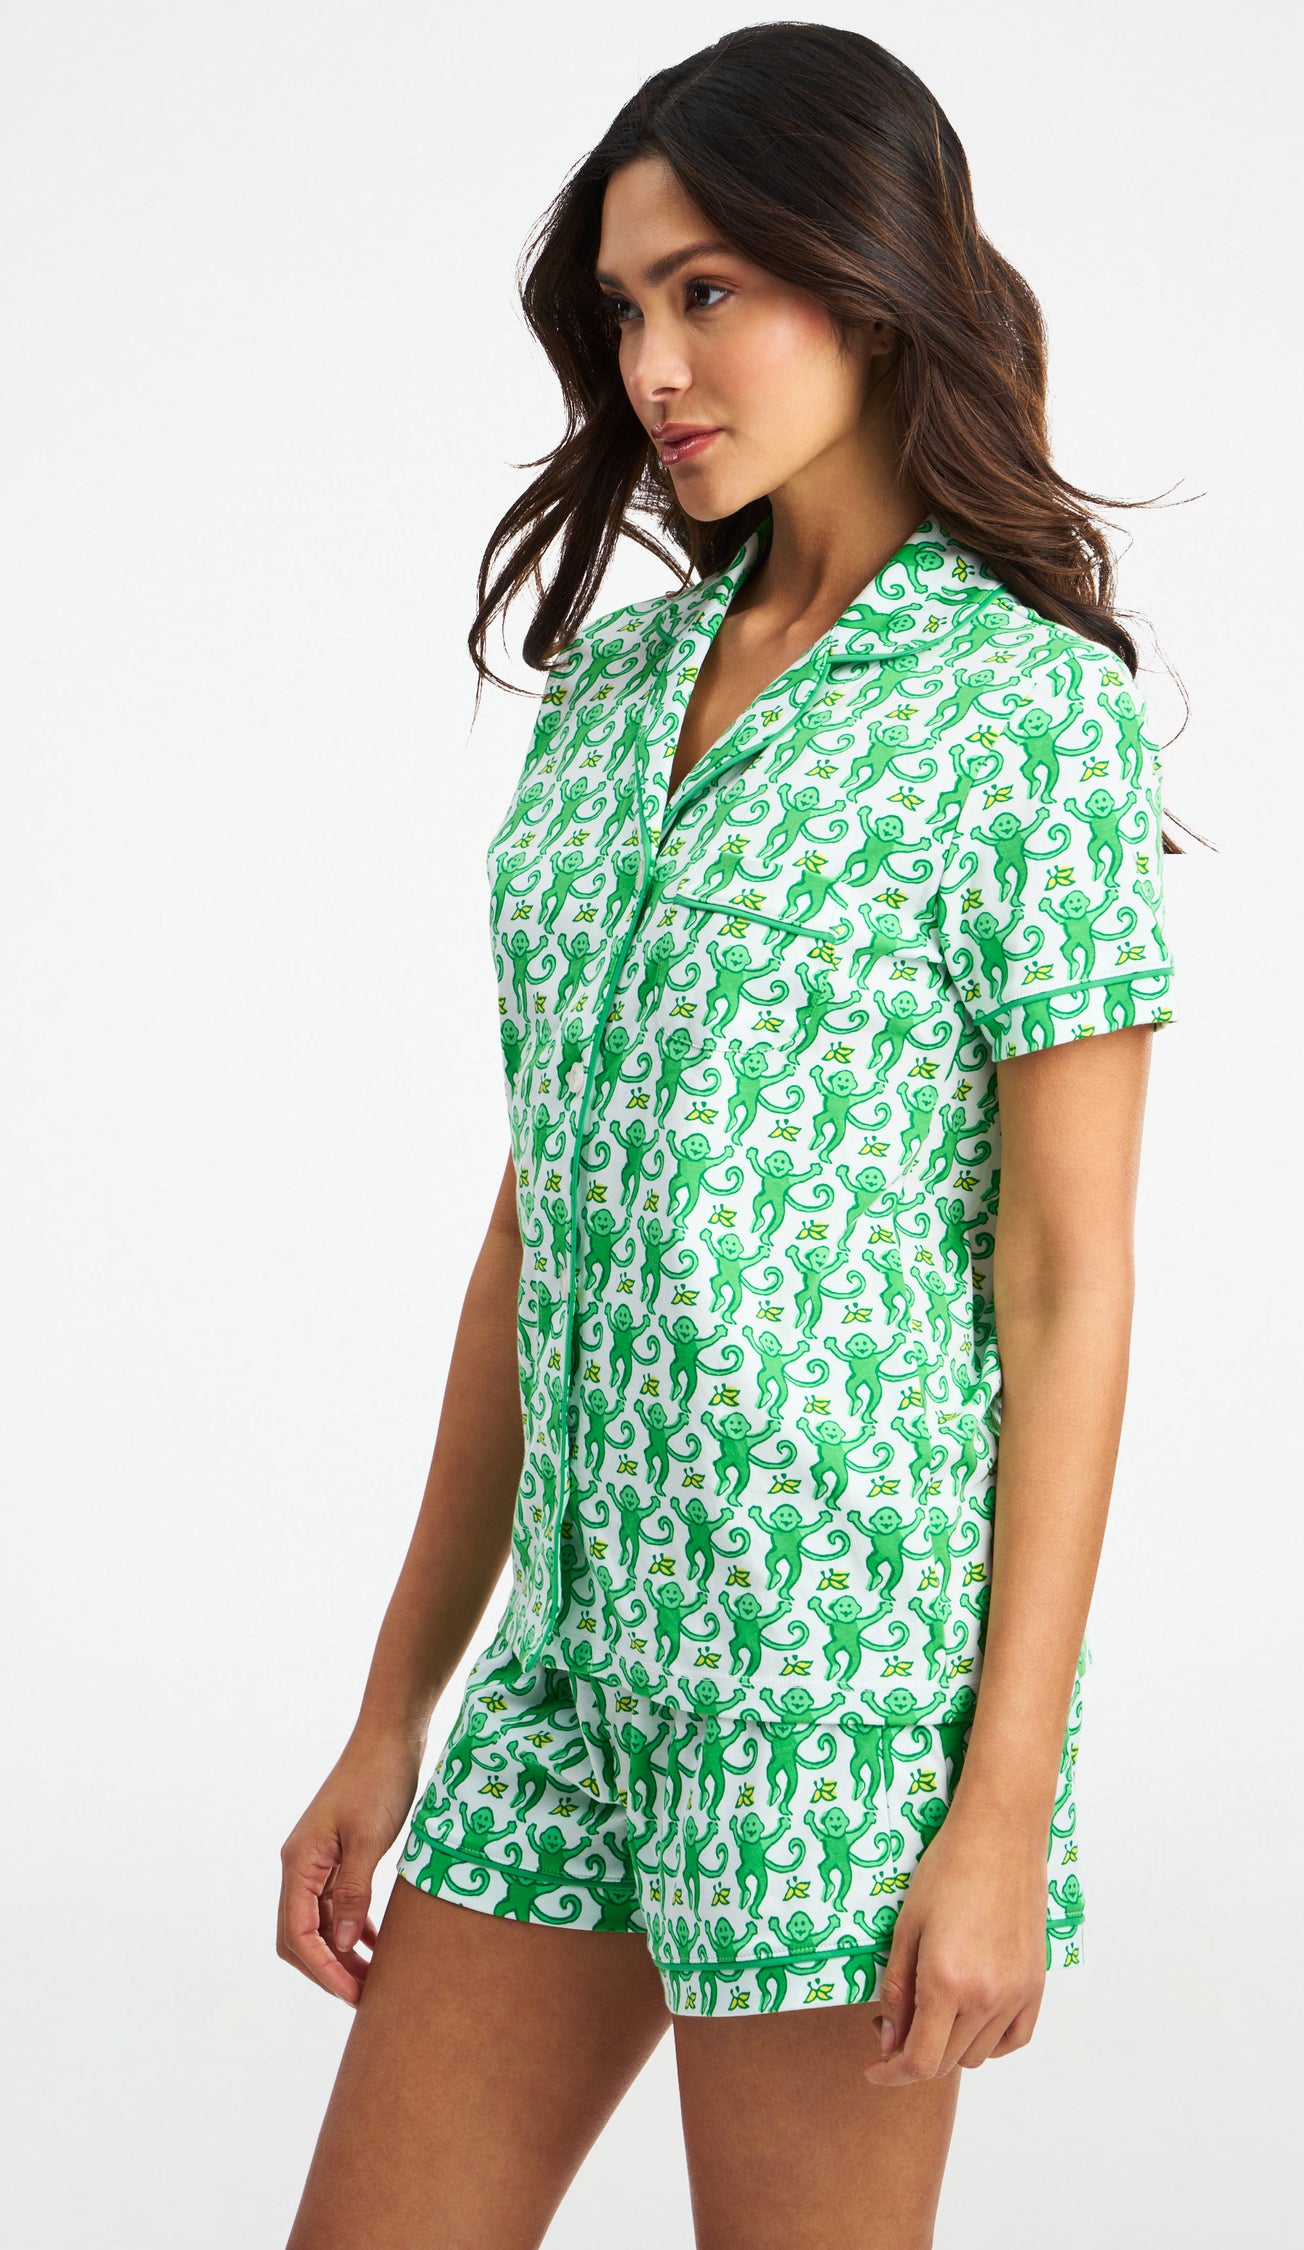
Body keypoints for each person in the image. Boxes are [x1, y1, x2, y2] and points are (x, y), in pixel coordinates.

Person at [278, 24, 1185, 2248]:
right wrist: (394, 1707)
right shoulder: (606, 696)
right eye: (624, 309)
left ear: (869, 280)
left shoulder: (1025, 712)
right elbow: (543, 1216)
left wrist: (998, 1810)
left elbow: (1065, 1288)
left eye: (709, 291)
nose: (655, 365)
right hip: (567, 1665)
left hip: (833, 1683)